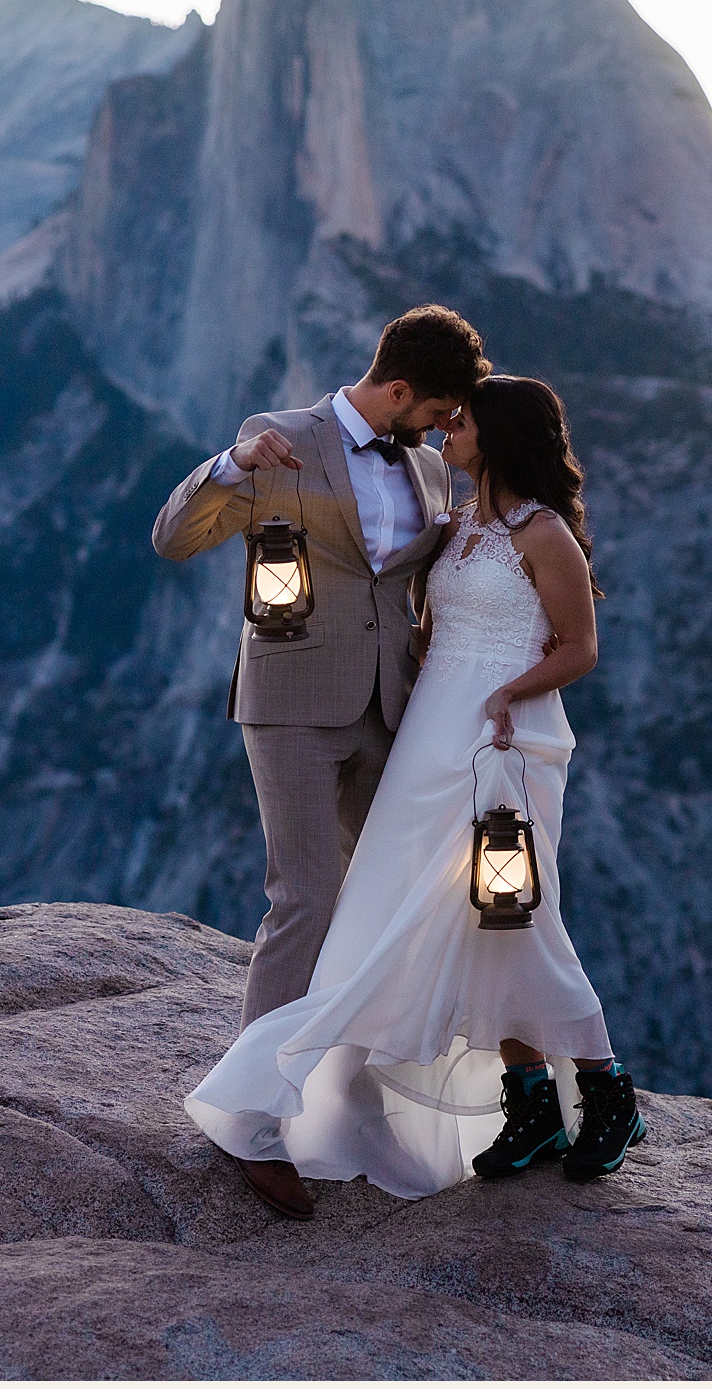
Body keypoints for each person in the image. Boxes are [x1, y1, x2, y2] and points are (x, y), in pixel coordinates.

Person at [184, 374, 644, 1205]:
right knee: (447, 914)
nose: (444, 436)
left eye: (459, 425)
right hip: (429, 734)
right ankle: (531, 1102)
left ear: (494, 439)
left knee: (517, 913)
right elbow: (397, 599)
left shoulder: (545, 535)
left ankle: (607, 1090)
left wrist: (508, 694)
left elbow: (580, 646)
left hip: (506, 738)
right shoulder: (458, 523)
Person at [150, 305, 490, 1219]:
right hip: (293, 705)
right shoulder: (278, 440)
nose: (443, 431)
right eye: (439, 412)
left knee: (391, 900)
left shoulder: (425, 469)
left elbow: (411, 582)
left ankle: (350, 1097)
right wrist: (226, 469)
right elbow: (174, 539)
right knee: (305, 896)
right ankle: (252, 1121)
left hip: (393, 712)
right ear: (401, 389)